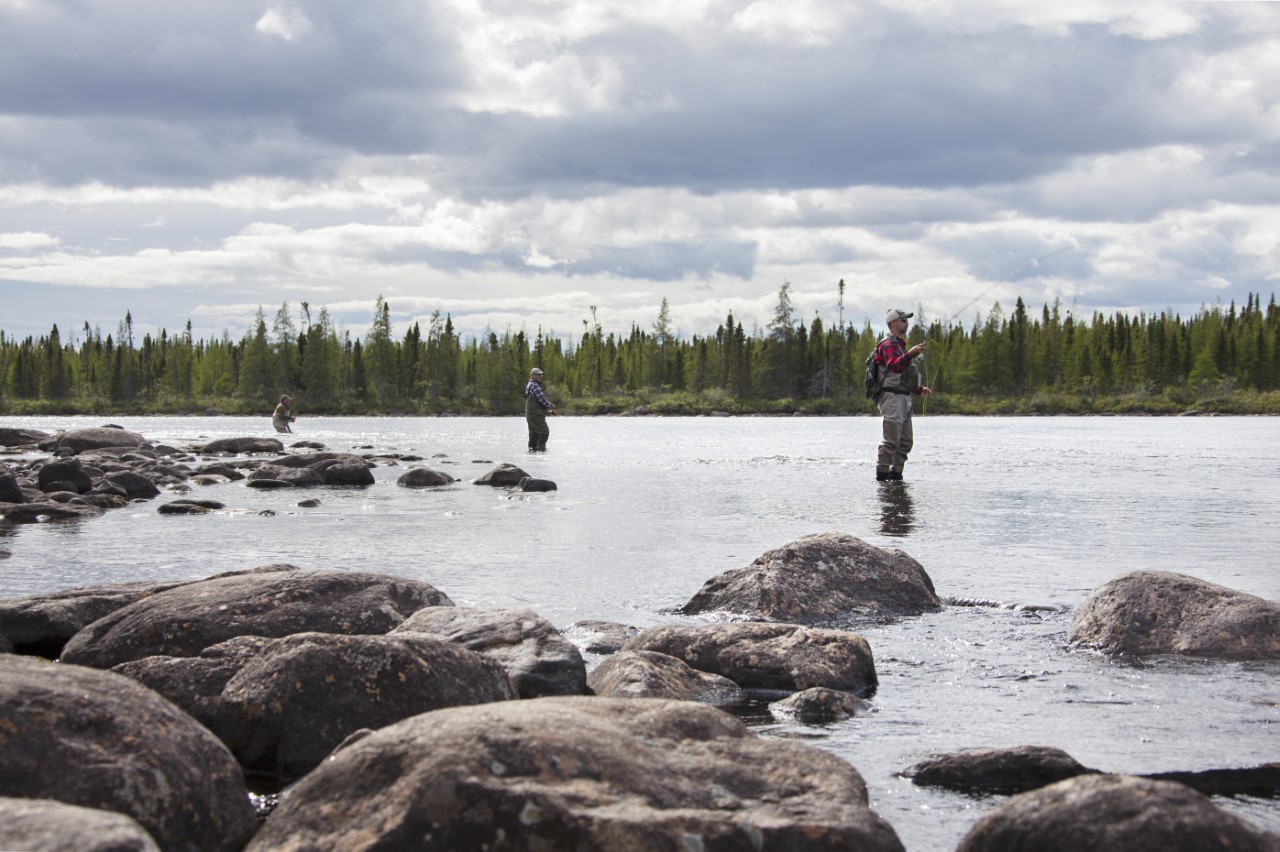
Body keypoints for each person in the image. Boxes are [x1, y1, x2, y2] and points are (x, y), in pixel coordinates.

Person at [873, 309, 932, 481]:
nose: (906, 323)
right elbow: (893, 367)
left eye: (906, 320)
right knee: (891, 443)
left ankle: (896, 479)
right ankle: (882, 479)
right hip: (891, 399)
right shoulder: (887, 345)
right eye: (903, 320)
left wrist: (919, 390)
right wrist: (910, 354)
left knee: (905, 442)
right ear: (893, 324)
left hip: (904, 398)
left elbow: (903, 377)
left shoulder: (900, 345)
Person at [524, 368, 556, 451]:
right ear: (533, 375)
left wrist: (545, 411)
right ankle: (541, 451)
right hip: (536, 415)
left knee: (534, 434)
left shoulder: (529, 384)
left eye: (541, 375)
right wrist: (551, 406)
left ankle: (532, 453)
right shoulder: (535, 385)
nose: (540, 376)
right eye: (538, 375)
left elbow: (537, 402)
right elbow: (542, 400)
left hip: (530, 415)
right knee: (544, 432)